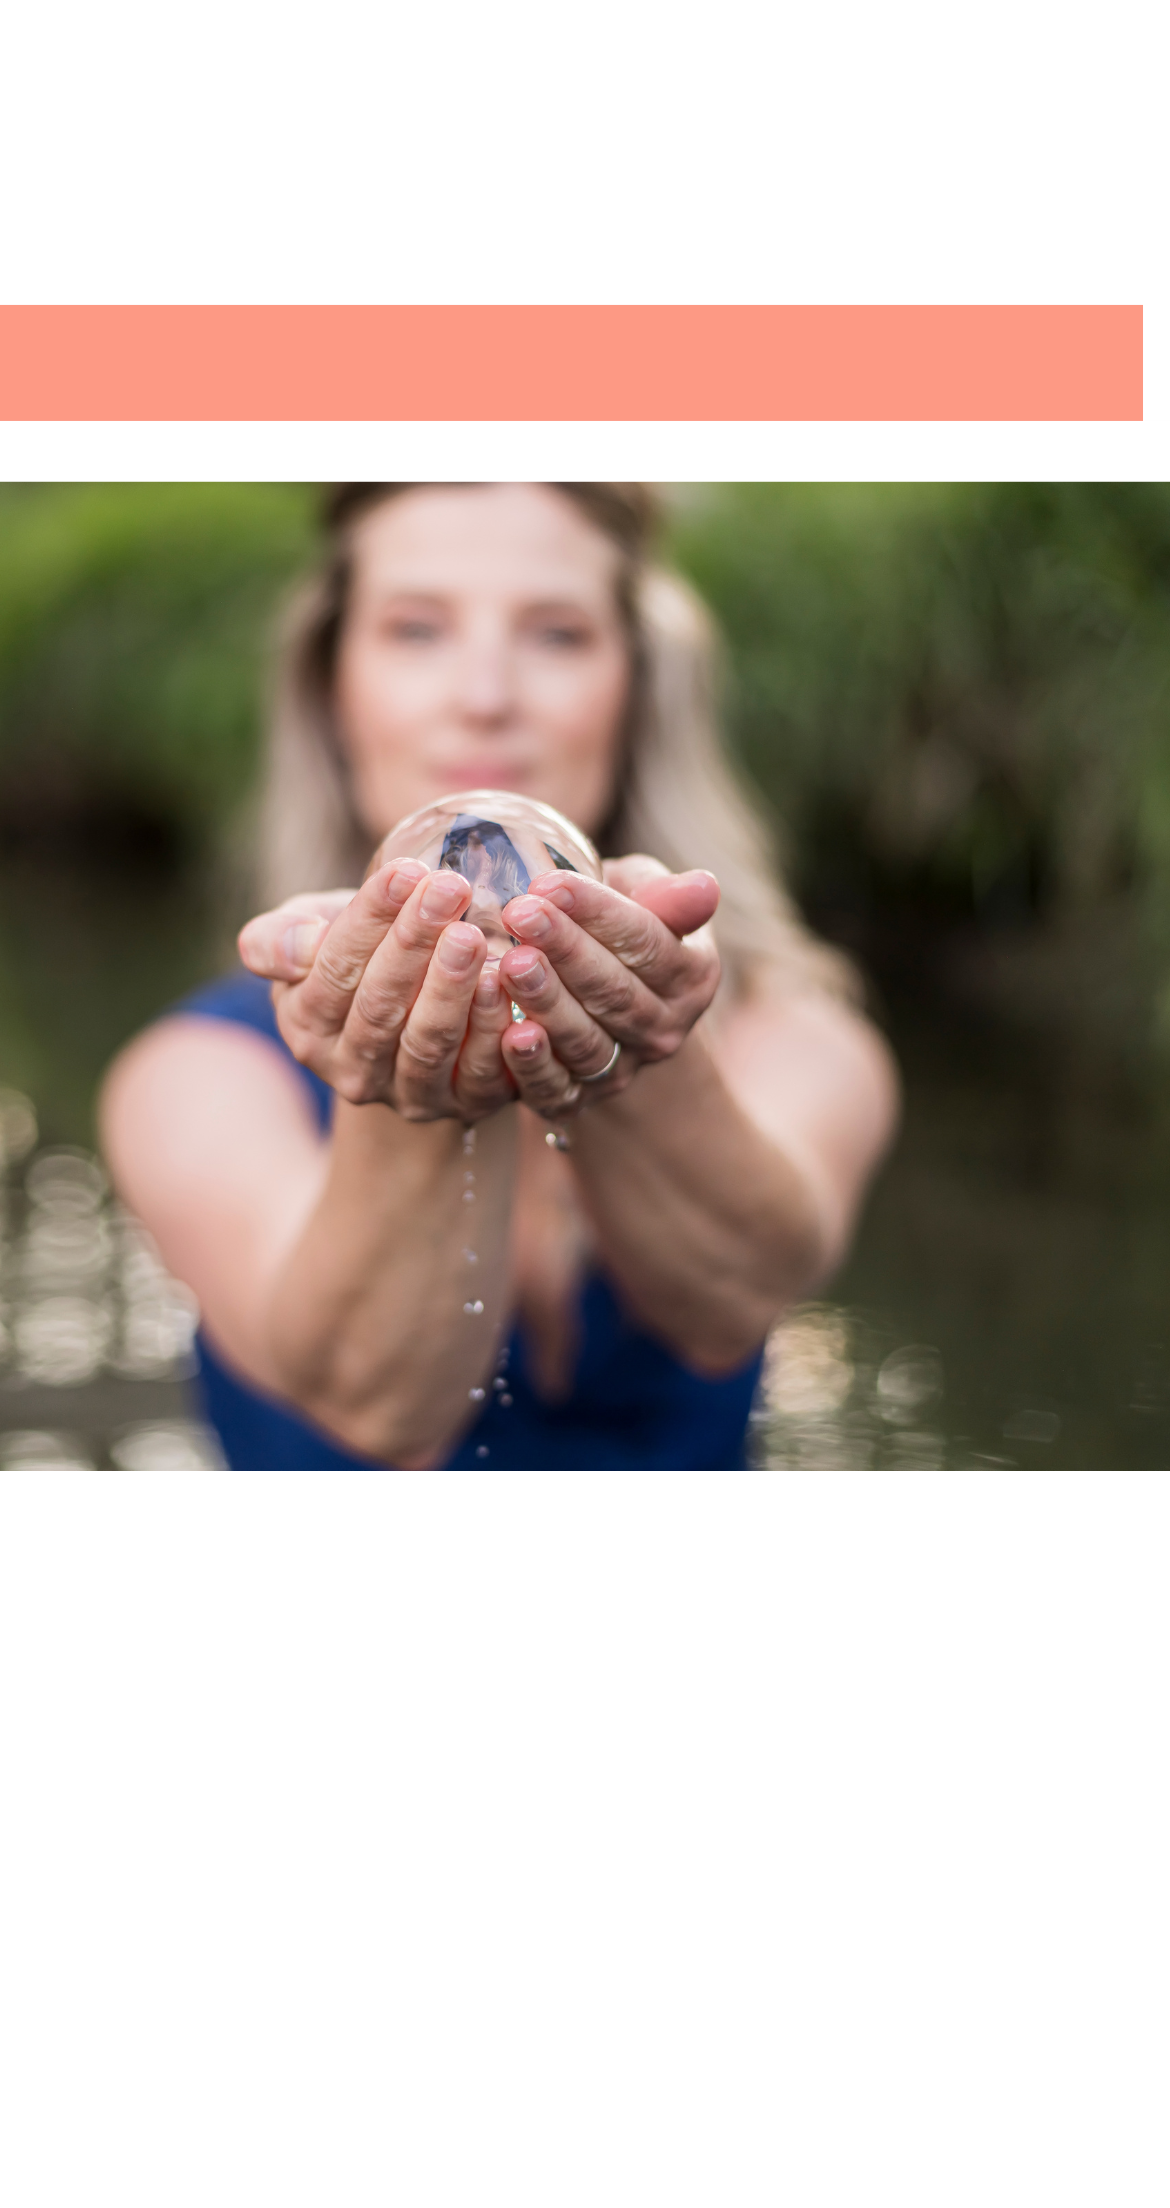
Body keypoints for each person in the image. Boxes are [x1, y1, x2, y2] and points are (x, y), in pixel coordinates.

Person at [102, 484, 898, 1469]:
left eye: (557, 634)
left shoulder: (801, 1040)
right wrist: (410, 1093)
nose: (484, 694)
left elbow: (733, 1299)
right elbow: (377, 1410)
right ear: (330, 687)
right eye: (416, 629)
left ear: (642, 686)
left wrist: (638, 1042)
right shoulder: (194, 1078)